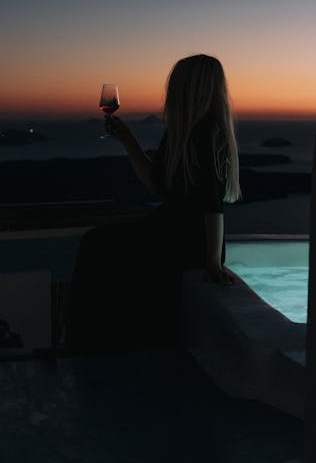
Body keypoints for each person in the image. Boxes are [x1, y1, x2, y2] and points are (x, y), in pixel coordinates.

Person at [67, 54, 241, 353]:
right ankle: (94, 342)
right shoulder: (180, 133)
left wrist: (213, 262)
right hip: (170, 230)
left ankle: (84, 343)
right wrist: (127, 140)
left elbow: (212, 205)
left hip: (187, 238)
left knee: (97, 246)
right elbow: (155, 183)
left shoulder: (207, 134)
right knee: (98, 244)